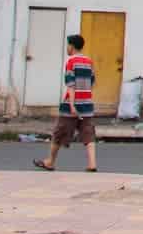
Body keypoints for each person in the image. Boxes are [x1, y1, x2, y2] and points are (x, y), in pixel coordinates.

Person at [34, 34, 97, 172]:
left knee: (59, 133)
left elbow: (71, 85)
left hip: (72, 104)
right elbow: (92, 81)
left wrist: (72, 105)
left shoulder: (71, 62)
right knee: (88, 133)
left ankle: (50, 162)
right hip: (87, 103)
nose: (67, 48)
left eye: (68, 45)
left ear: (72, 46)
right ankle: (92, 164)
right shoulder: (89, 61)